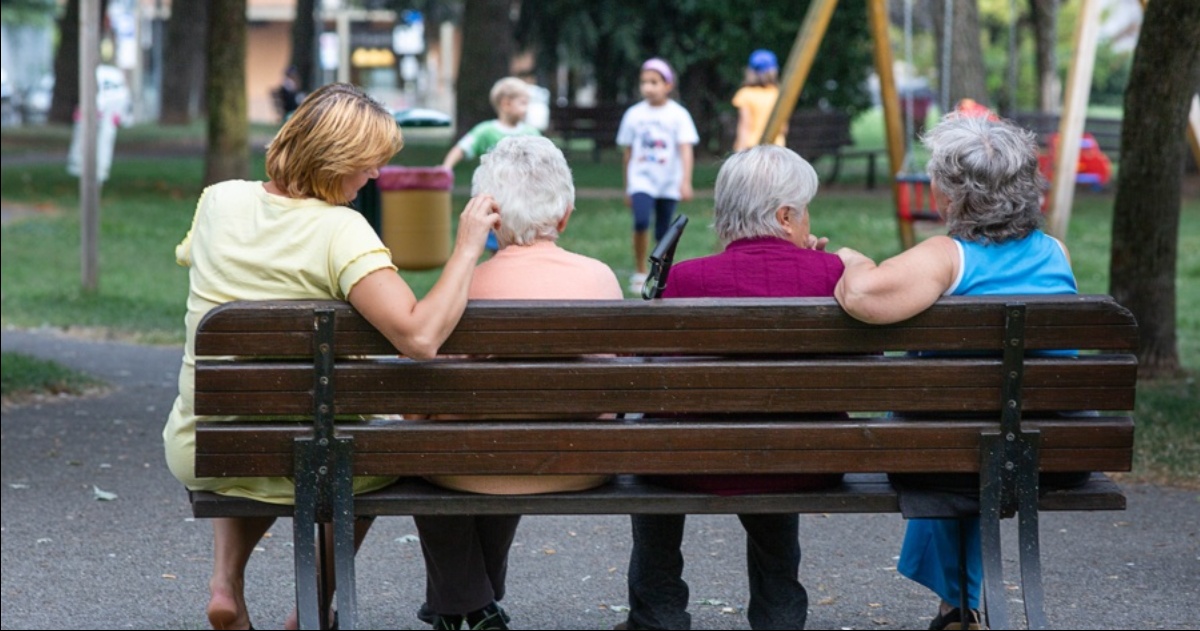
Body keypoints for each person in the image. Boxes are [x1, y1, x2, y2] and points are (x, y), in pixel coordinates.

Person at [163, 82, 499, 631]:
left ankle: (226, 583)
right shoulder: (341, 232)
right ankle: (310, 607)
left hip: (208, 446)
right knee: (356, 460)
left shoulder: (218, 200)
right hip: (318, 460)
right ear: (336, 159)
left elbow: (192, 258)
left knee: (249, 432)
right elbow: (419, 338)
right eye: (369, 165)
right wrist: (465, 247)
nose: (375, 177)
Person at [833, 113, 1081, 631]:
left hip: (950, 457)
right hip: (1053, 454)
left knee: (948, 440)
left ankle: (957, 607)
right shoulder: (1056, 252)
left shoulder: (949, 257)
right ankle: (956, 608)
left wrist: (852, 259)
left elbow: (861, 297)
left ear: (951, 194)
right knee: (969, 431)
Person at [617, 145, 845, 631]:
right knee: (773, 448)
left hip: (692, 464)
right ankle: (779, 614)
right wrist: (821, 274)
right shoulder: (834, 276)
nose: (808, 223)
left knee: (656, 449)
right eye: (805, 212)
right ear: (786, 217)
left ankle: (658, 615)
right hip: (805, 463)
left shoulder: (683, 278)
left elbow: (651, 376)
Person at [414, 136, 623, 631]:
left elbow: (428, 398)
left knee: (421, 442)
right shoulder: (601, 279)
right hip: (580, 463)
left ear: (488, 216)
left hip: (475, 468)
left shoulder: (464, 288)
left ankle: (461, 601)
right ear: (566, 214)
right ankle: (473, 602)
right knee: (486, 433)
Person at [616, 57, 699, 295]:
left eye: (654, 82)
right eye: (644, 82)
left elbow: (685, 149)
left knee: (664, 232)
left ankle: (661, 272)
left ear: (668, 85)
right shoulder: (633, 115)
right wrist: (627, 186)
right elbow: (628, 153)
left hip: (668, 182)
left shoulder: (678, 115)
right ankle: (641, 269)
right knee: (641, 221)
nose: (648, 87)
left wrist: (685, 181)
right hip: (641, 180)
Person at [441, 77, 541, 254]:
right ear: (506, 103)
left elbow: (544, 159)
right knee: (498, 245)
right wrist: (446, 168)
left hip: (523, 200)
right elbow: (462, 148)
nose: (527, 108)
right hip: (496, 201)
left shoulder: (531, 133)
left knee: (523, 245)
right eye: (523, 103)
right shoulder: (486, 131)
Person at [732, 49, 786, 151]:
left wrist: (740, 150)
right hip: (777, 148)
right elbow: (783, 128)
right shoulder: (779, 94)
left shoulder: (745, 94)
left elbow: (745, 126)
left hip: (753, 148)